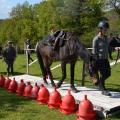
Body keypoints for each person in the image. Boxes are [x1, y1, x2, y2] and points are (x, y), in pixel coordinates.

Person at [92, 20, 111, 96]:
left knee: (108, 74)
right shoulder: (96, 39)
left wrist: (115, 48)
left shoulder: (106, 38)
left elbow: (107, 47)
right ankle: (103, 89)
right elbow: (94, 51)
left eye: (106, 29)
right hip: (99, 60)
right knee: (103, 74)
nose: (106, 31)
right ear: (100, 29)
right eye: (104, 29)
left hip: (106, 59)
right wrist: (96, 62)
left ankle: (99, 83)